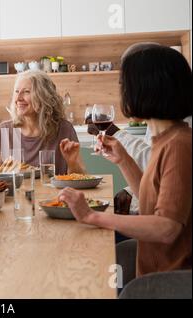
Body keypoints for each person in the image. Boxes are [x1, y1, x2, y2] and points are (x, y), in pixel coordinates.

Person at [59, 45, 192, 277]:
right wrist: (123, 160)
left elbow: (167, 228)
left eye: (125, 84)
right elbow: (151, 203)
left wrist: (93, 216)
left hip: (171, 281)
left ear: (149, 88)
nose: (123, 92)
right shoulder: (166, 139)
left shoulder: (179, 145)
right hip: (156, 271)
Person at [0, 70, 85, 174]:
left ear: (43, 97)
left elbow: (81, 177)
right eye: (16, 91)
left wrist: (72, 163)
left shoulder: (64, 129)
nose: (18, 98)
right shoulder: (3, 131)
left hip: (56, 191)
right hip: (16, 191)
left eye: (26, 92)